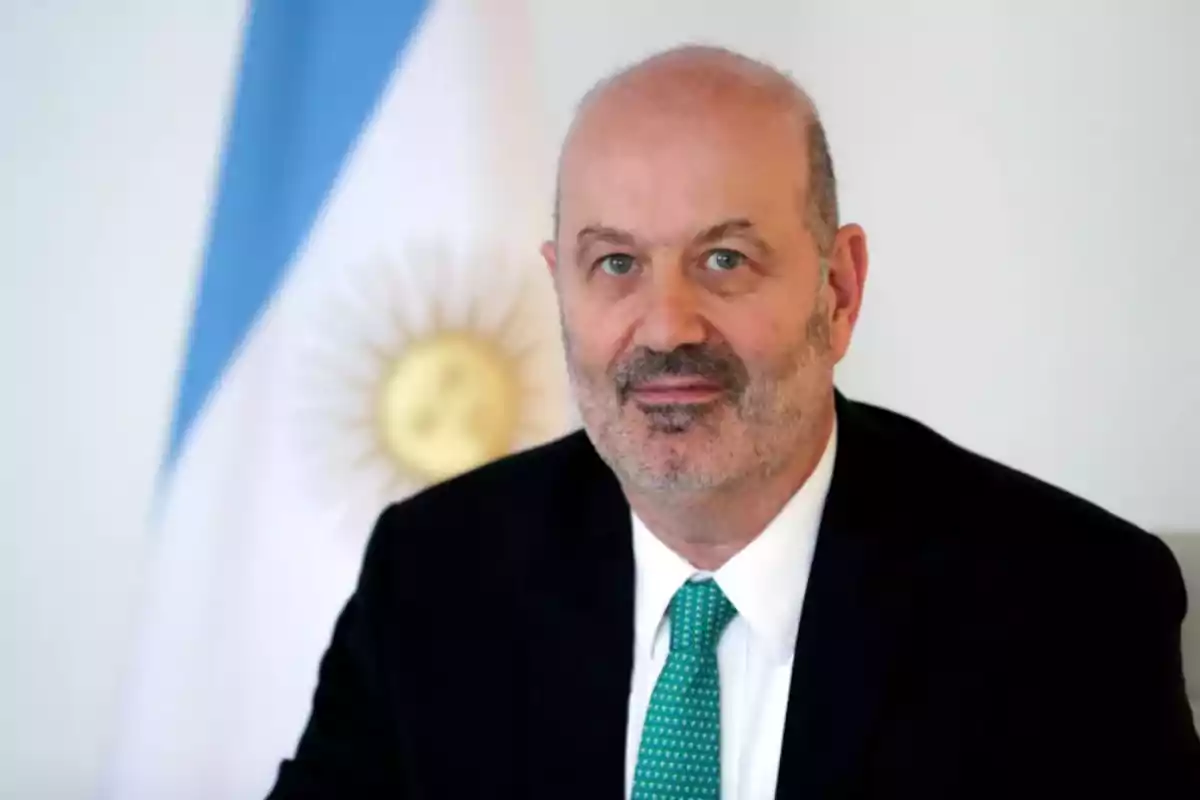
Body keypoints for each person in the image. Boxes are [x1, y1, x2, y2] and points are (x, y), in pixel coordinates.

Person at [267, 45, 1200, 799]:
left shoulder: (1071, 606)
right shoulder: (433, 573)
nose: (668, 326)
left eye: (723, 258)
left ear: (838, 291)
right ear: (559, 284)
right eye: (616, 265)